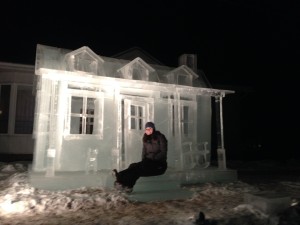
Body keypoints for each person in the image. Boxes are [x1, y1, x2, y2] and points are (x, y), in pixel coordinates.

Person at [113, 121, 168, 193]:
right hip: (148, 162)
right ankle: (122, 182)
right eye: (146, 129)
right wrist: (144, 161)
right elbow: (144, 152)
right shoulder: (146, 139)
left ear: (153, 129)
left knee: (138, 169)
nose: (148, 130)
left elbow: (163, 152)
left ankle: (123, 180)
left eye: (150, 129)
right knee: (133, 166)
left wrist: (152, 159)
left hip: (159, 165)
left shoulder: (160, 137)